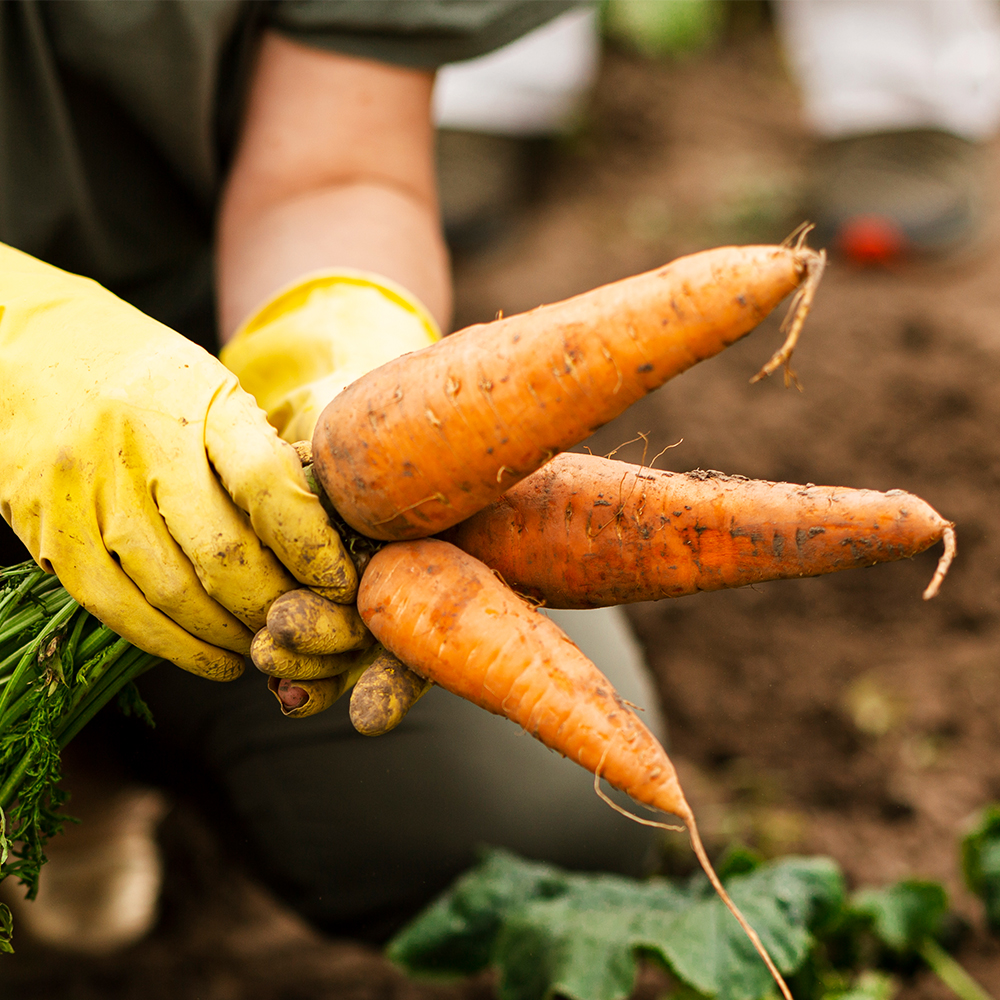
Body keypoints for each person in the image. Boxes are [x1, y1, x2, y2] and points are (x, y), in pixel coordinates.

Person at [0, 1, 663, 953]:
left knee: (523, 816)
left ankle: (85, 743)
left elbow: (334, 168)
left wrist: (336, 368)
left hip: (197, 368)